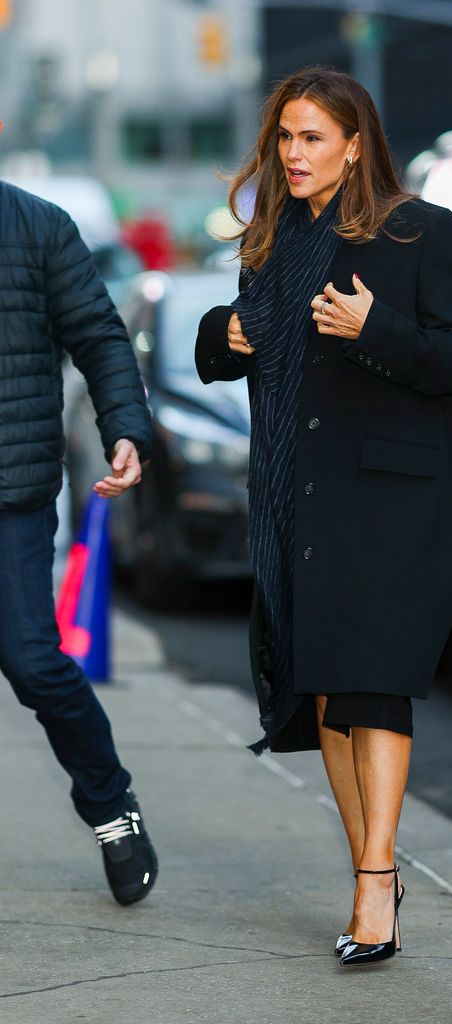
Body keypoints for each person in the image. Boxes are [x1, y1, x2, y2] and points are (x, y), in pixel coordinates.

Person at [196, 66, 452, 966]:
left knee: (371, 684)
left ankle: (373, 883)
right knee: (321, 685)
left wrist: (375, 329)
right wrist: (221, 335)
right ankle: (373, 868)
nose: (294, 153)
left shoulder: (419, 231)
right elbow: (244, 341)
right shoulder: (272, 239)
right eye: (285, 137)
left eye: (312, 137)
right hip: (295, 492)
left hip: (389, 499)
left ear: (356, 144)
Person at [0, 125, 157, 906]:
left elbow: (99, 334)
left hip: (12, 492)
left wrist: (124, 427)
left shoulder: (36, 225)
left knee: (31, 660)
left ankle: (109, 805)